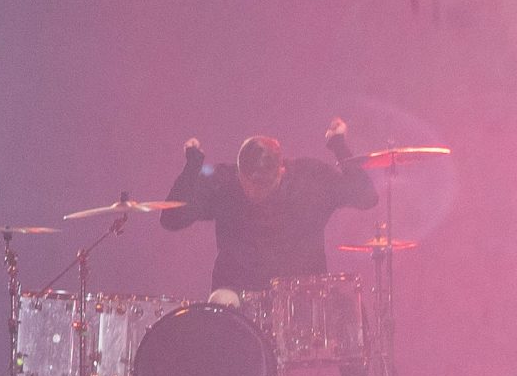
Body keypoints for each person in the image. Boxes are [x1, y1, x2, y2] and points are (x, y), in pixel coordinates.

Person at [160, 119, 378, 291]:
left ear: (281, 170)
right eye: (250, 184)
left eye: (266, 185)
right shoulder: (224, 183)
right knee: (221, 301)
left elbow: (367, 197)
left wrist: (339, 146)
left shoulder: (309, 179)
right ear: (239, 173)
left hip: (301, 301)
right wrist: (191, 168)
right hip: (238, 301)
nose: (258, 193)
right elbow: (171, 218)